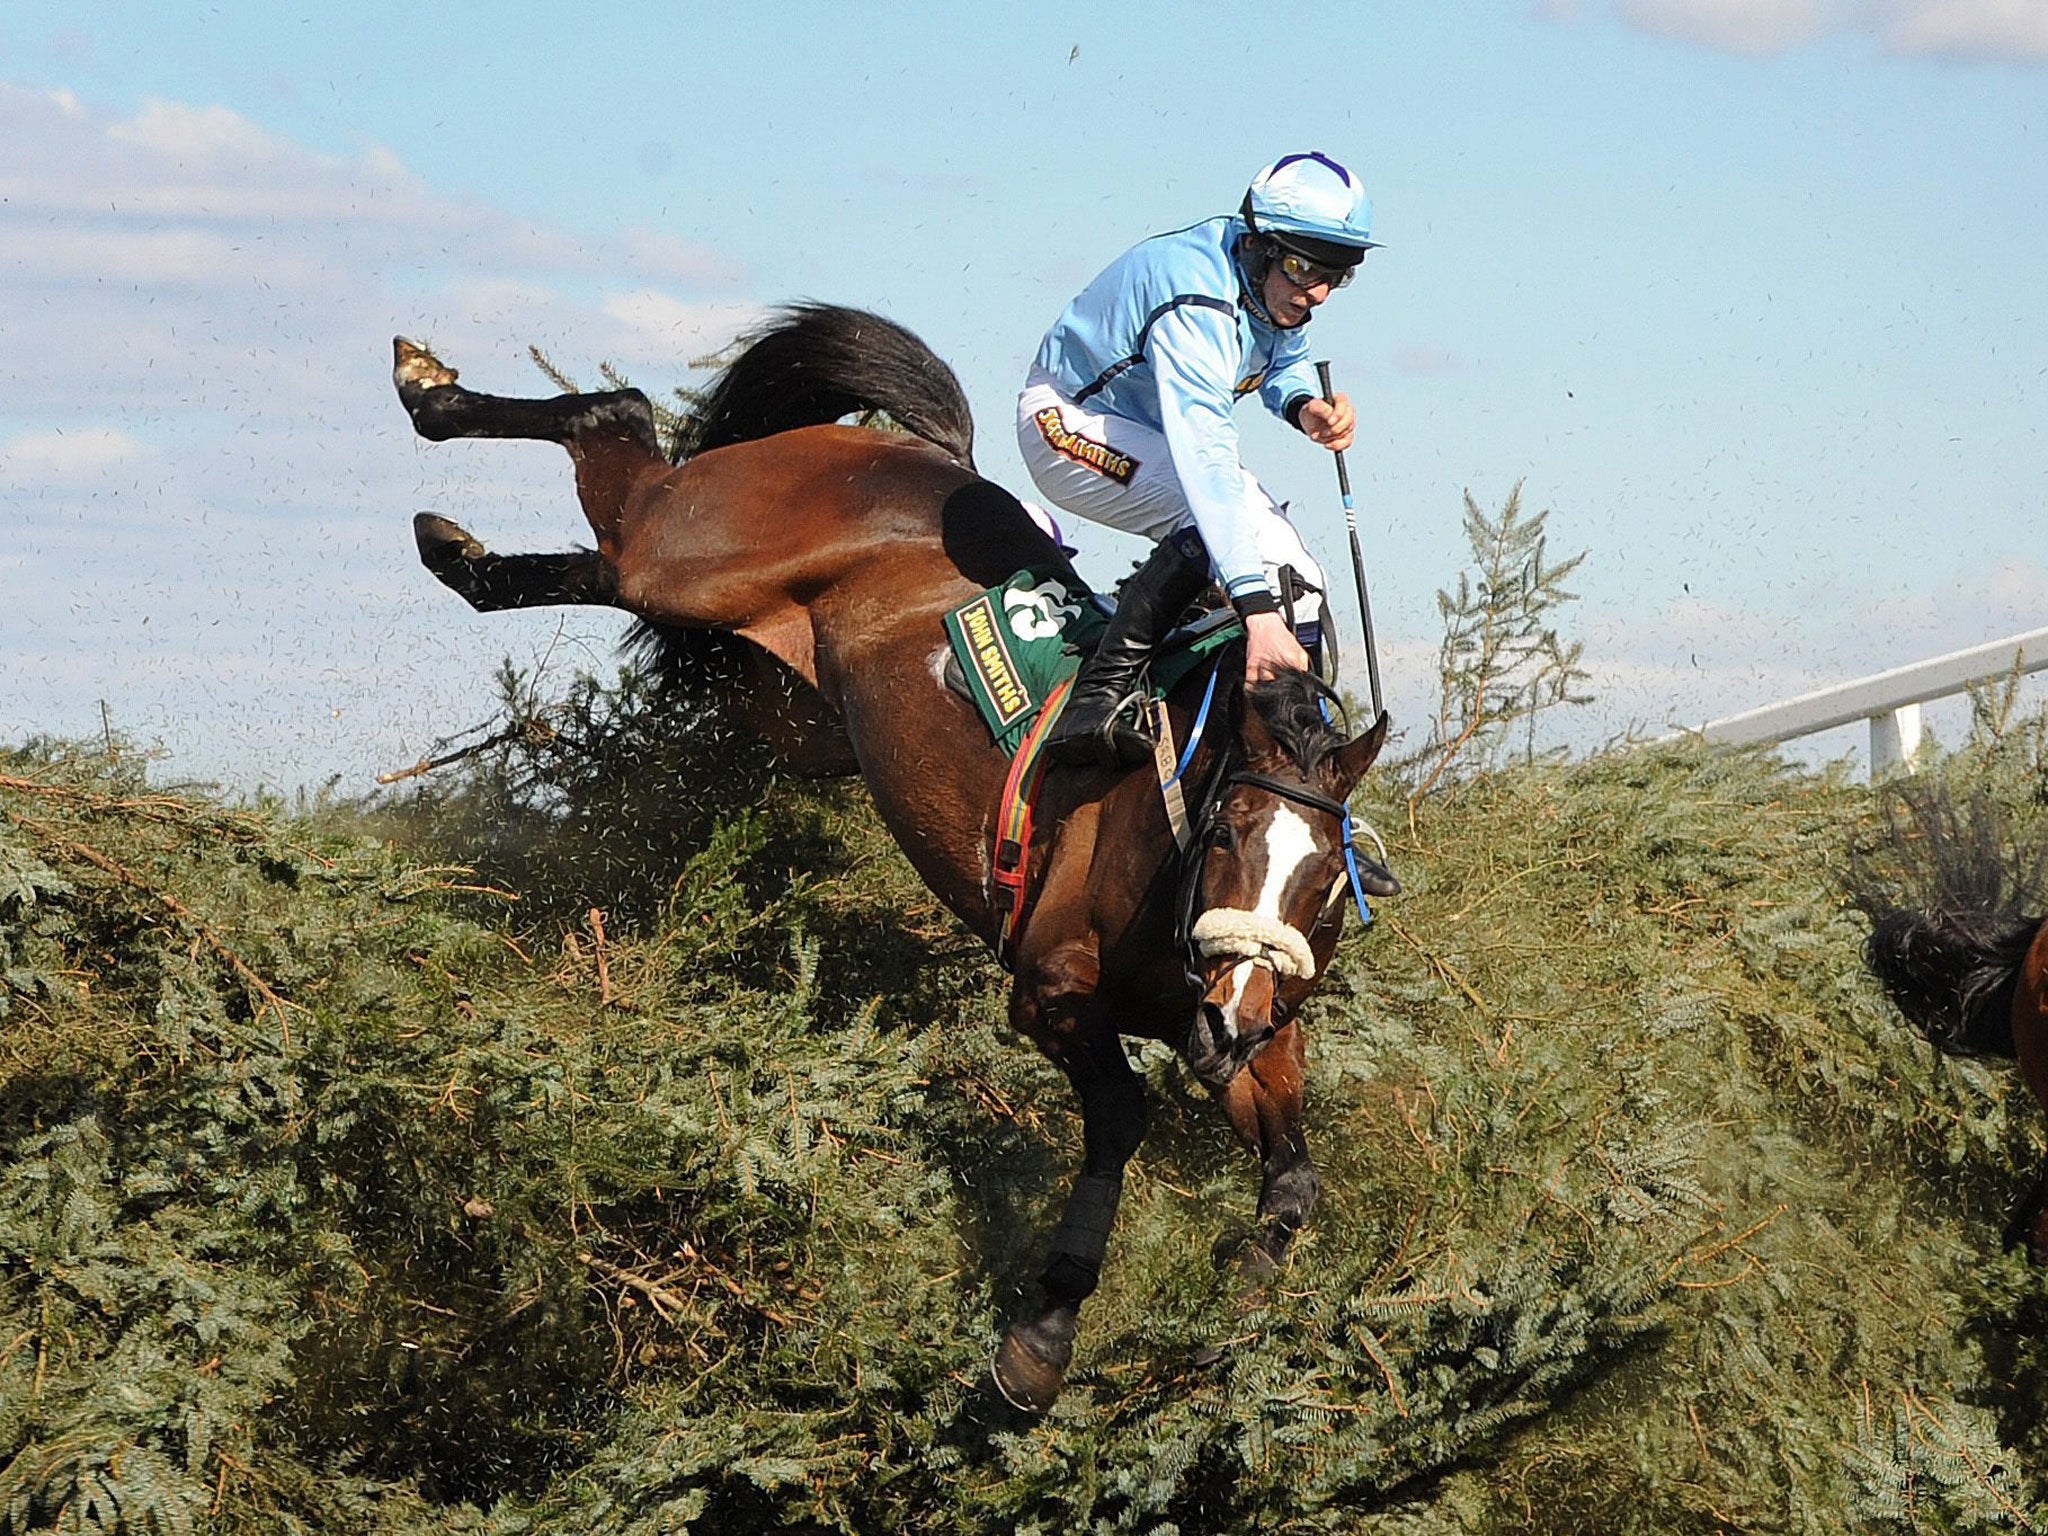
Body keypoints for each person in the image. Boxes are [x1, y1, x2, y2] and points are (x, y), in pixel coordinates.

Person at [1018, 151, 1377, 768]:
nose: (1317, 292)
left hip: (1148, 437)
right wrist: (1255, 611)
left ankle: (1285, 768)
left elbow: (1282, 360)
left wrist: (1303, 407)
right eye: (1303, 268)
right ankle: (1095, 701)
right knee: (1220, 532)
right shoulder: (1195, 296)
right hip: (1066, 423)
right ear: (1257, 245)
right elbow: (1206, 459)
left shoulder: (1272, 282)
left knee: (1298, 579)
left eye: (1335, 275)